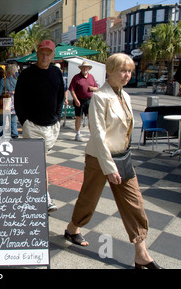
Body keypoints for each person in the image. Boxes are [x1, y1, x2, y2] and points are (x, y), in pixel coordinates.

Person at [64, 53, 163, 269]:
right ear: (109, 71)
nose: (127, 75)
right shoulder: (100, 97)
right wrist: (109, 167)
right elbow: (98, 134)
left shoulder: (125, 96)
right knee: (89, 198)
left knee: (134, 203)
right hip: (99, 157)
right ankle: (72, 229)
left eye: (129, 71)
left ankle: (141, 253)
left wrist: (124, 157)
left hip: (122, 157)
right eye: (122, 71)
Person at [14, 40, 65, 213]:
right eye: (42, 53)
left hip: (51, 126)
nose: (45, 56)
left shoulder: (57, 73)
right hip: (33, 125)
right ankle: (45, 197)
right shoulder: (27, 74)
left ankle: (28, 190)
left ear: (53, 56)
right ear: (37, 54)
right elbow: (18, 100)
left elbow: (60, 97)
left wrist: (57, 118)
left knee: (36, 162)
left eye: (48, 53)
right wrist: (25, 121)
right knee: (40, 162)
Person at [68, 61, 98, 141]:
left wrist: (93, 89)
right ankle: (78, 134)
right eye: (83, 67)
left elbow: (96, 87)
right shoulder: (76, 77)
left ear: (89, 69)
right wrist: (76, 99)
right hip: (79, 100)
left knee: (90, 117)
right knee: (78, 117)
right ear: (81, 68)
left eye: (86, 67)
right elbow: (71, 89)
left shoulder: (91, 77)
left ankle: (92, 135)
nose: (85, 69)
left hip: (89, 100)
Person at [0, 64, 18, 138]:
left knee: (2, 120)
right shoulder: (17, 81)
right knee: (13, 121)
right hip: (14, 102)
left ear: (7, 71)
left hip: (4, 102)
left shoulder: (3, 81)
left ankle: (1, 133)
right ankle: (14, 134)